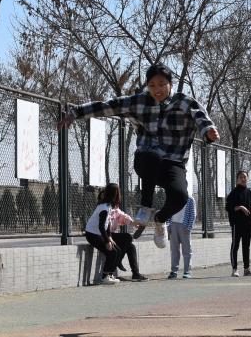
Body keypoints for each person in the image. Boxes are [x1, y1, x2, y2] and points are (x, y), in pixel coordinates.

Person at [60, 63, 219, 249]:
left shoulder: (185, 102)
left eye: (162, 85)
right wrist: (76, 112)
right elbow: (109, 106)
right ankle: (145, 206)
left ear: (170, 84)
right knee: (152, 155)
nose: (157, 90)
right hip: (146, 160)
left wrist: (208, 132)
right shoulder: (139, 101)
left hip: (173, 163)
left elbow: (201, 118)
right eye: (152, 85)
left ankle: (160, 219)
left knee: (181, 197)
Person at [83, 183, 147, 284]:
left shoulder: (109, 206)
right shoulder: (104, 208)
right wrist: (107, 241)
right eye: (118, 192)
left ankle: (110, 274)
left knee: (118, 250)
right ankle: (105, 277)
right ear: (114, 194)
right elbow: (101, 227)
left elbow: (107, 224)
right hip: (93, 234)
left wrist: (109, 237)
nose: (119, 195)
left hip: (101, 233)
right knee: (112, 252)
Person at [225, 170, 251, 277]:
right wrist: (240, 207)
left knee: (246, 246)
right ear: (237, 179)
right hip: (236, 224)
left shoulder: (250, 193)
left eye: (245, 177)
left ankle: (247, 269)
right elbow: (228, 208)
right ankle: (234, 269)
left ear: (247, 178)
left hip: (248, 224)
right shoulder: (233, 193)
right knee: (235, 246)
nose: (243, 179)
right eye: (241, 177)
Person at [167, 195, 196, 279]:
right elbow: (168, 211)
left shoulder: (190, 199)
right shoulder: (172, 197)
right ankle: (174, 271)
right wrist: (169, 226)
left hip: (185, 226)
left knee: (187, 250)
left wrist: (189, 227)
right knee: (174, 250)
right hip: (173, 225)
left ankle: (187, 271)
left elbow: (193, 214)